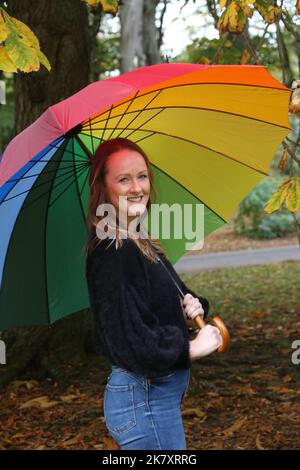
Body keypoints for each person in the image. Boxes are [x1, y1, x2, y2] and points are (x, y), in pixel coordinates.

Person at [85, 137, 222, 450]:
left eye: (142, 176)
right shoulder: (112, 252)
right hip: (143, 402)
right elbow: (131, 341)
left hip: (153, 400)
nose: (137, 188)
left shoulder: (138, 240)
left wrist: (190, 306)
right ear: (103, 188)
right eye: (123, 179)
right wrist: (190, 349)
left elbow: (160, 304)